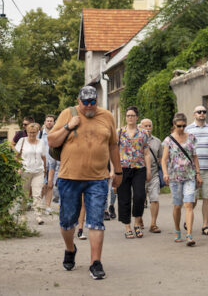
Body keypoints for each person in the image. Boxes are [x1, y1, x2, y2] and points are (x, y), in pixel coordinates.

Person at [48, 86, 121, 279]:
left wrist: (118, 170)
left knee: (96, 221)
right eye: (85, 102)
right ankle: (70, 249)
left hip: (98, 178)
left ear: (97, 101)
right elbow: (52, 141)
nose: (89, 106)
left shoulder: (107, 117)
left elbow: (113, 145)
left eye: (93, 102)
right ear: (78, 101)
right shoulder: (67, 114)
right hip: (69, 177)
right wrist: (68, 126)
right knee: (67, 221)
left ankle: (95, 262)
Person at [161, 112, 201, 246]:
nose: (182, 128)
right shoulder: (168, 140)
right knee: (177, 206)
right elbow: (164, 159)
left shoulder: (191, 138)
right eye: (179, 126)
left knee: (189, 204)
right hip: (174, 177)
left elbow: (195, 156)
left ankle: (189, 235)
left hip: (189, 176)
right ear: (174, 125)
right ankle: (177, 230)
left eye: (184, 125)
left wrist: (198, 173)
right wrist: (165, 173)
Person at [116, 106, 151, 238]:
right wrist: (113, 171)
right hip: (123, 168)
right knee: (124, 198)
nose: (130, 118)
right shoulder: (119, 132)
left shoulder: (143, 134)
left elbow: (146, 153)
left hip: (139, 169)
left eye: (132, 115)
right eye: (128, 115)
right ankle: (127, 226)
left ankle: (137, 223)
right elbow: (114, 152)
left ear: (137, 117)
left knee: (139, 196)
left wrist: (148, 171)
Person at [184, 105, 208, 237]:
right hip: (192, 170)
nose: (202, 114)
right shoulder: (188, 129)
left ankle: (205, 225)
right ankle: (188, 219)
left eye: (204, 112)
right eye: (199, 112)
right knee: (192, 199)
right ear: (194, 114)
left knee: (207, 198)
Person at [15, 122, 47, 225]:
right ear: (27, 132)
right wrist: (19, 166)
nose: (32, 135)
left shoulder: (41, 142)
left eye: (34, 132)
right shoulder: (22, 141)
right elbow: (15, 156)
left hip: (38, 171)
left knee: (37, 194)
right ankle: (23, 214)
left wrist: (45, 169)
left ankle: (38, 216)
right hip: (25, 171)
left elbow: (43, 157)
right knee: (24, 194)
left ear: (38, 132)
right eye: (30, 132)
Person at [140, 118, 164, 233]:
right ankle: (139, 220)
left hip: (153, 173)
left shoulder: (157, 141)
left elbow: (161, 158)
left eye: (150, 126)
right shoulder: (136, 139)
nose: (148, 128)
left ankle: (153, 224)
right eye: (146, 126)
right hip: (139, 173)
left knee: (154, 198)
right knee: (139, 199)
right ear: (141, 127)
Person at [40, 114, 59, 214]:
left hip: (53, 163)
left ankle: (47, 206)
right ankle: (38, 204)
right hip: (41, 164)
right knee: (42, 186)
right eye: (47, 120)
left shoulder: (57, 134)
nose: (49, 122)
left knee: (50, 185)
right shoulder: (39, 134)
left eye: (51, 121)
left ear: (54, 122)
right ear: (44, 122)